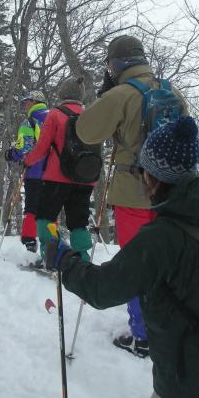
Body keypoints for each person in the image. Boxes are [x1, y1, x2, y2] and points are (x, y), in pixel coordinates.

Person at [45, 116, 199, 398]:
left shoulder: (163, 237)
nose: (141, 178)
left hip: (186, 370)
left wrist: (64, 260)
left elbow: (103, 288)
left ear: (156, 178)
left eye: (144, 172)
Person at [75, 34, 187, 357]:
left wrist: (106, 99)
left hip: (132, 194)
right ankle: (170, 328)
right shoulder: (172, 92)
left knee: (138, 265)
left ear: (115, 64)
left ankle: (143, 337)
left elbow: (85, 130)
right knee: (168, 264)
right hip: (170, 194)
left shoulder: (122, 94)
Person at [24, 76, 95, 262]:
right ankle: (83, 259)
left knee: (45, 217)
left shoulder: (55, 114)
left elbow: (42, 147)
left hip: (57, 177)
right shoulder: (90, 115)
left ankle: (51, 257)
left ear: (62, 93)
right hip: (85, 178)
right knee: (79, 221)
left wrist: (28, 161)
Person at [5, 91, 49, 252]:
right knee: (50, 210)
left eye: (26, 102)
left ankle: (29, 242)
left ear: (34, 102)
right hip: (55, 173)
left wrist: (11, 154)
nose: (24, 105)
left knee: (31, 208)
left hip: (35, 171)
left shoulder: (29, 121)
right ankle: (51, 246)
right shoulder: (54, 117)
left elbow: (25, 147)